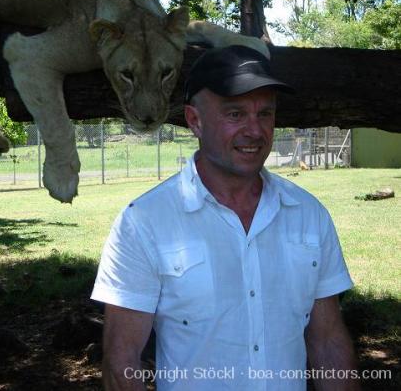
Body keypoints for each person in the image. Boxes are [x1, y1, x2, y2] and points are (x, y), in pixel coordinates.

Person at [91, 45, 359, 391]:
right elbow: (121, 362)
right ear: (194, 120)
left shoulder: (309, 215)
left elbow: (328, 342)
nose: (255, 130)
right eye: (235, 115)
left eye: (265, 114)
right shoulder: (144, 222)